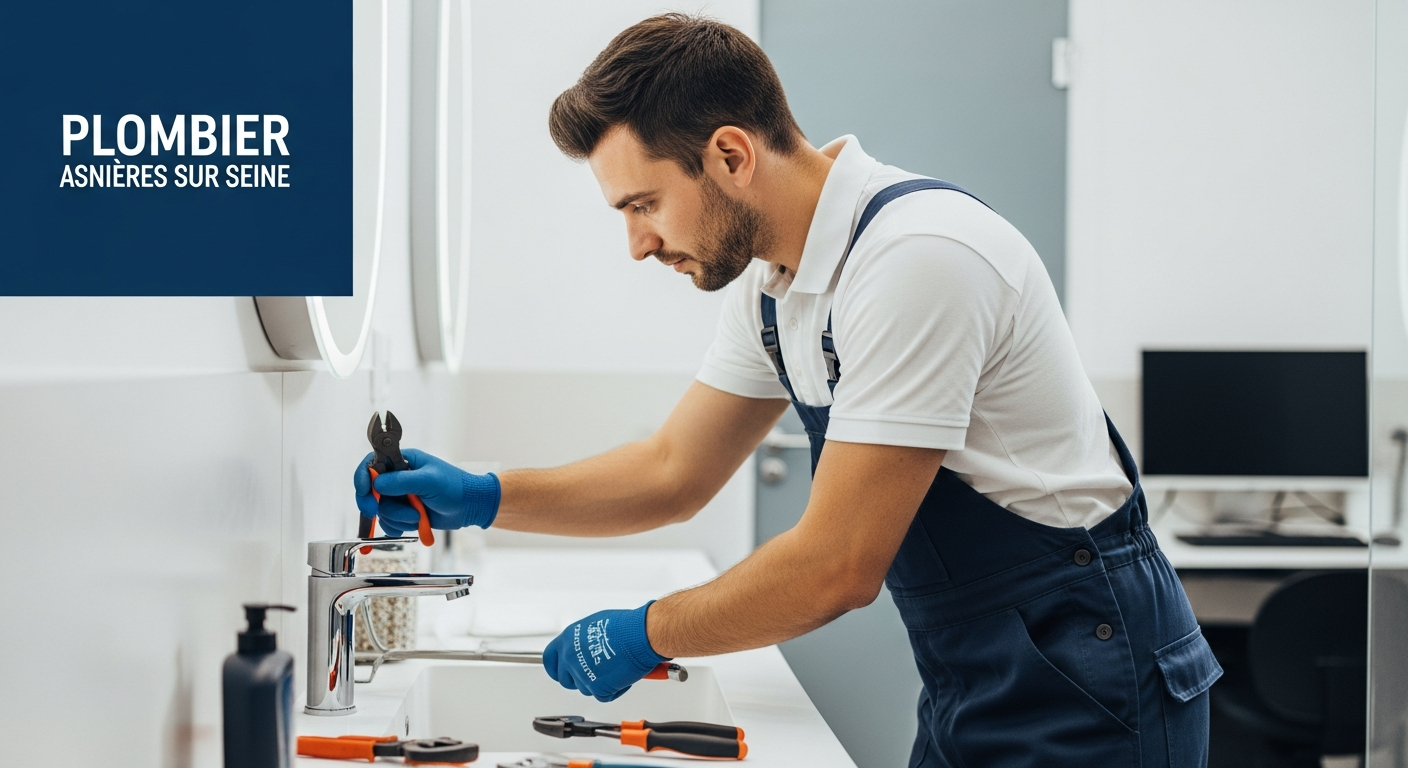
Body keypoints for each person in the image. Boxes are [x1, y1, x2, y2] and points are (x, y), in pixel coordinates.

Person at [354, 14, 1222, 767]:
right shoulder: (773, 287)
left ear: (730, 154)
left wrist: (647, 631)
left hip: (1094, 681)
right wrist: (480, 494)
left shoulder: (917, 259)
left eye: (643, 204)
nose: (637, 244)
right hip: (976, 679)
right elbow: (672, 471)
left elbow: (838, 567)